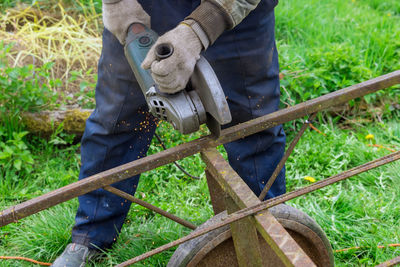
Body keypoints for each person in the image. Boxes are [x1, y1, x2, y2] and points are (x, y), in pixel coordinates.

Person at [51, 0, 286, 266]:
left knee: (252, 123)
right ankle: (89, 237)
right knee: (115, 120)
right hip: (147, 8)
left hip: (234, 14)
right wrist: (117, 3)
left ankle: (266, 233)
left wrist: (198, 30)